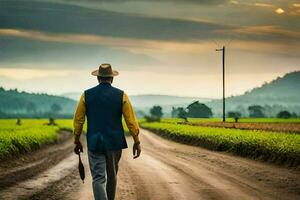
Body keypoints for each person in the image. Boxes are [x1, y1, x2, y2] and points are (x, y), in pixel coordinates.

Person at [73, 63, 141, 200]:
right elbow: (131, 121)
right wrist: (136, 141)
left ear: (98, 78)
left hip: (94, 142)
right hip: (115, 143)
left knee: (98, 178)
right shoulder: (122, 95)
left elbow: (78, 120)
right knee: (112, 176)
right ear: (112, 78)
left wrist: (76, 140)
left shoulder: (86, 95)